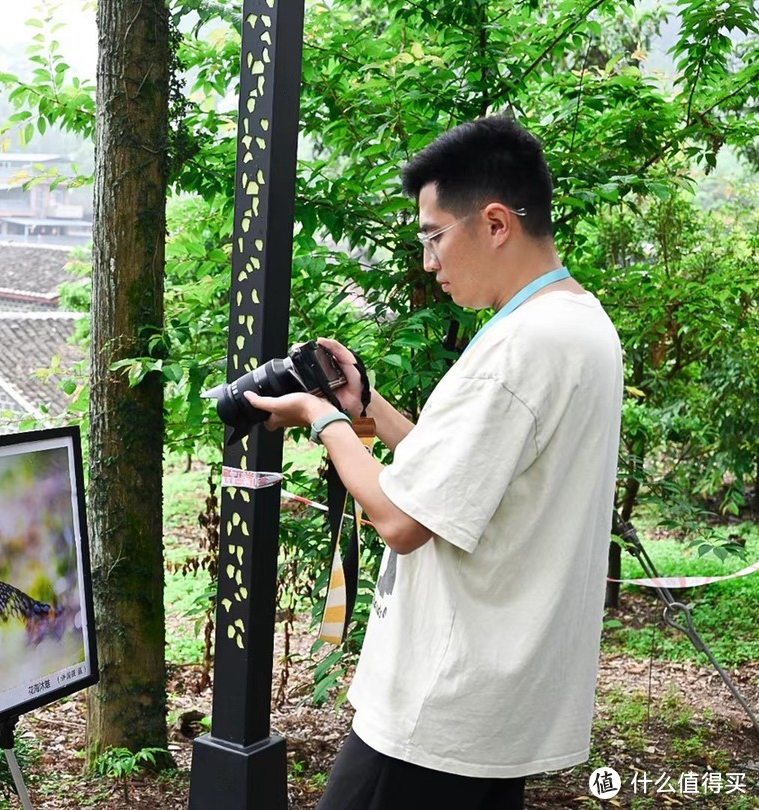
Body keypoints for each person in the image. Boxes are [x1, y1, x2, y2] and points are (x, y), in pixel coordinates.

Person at [244, 115, 623, 809]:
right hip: (496, 712)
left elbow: (399, 519)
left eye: (433, 236)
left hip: (436, 711)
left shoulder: (518, 350)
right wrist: (372, 411)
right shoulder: (580, 324)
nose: (428, 261)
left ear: (497, 223)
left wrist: (321, 418)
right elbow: (465, 480)